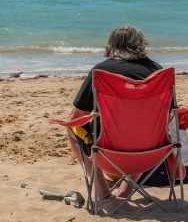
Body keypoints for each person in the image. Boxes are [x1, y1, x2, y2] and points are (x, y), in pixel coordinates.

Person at [66, 25, 162, 201]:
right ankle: (126, 189)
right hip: (151, 152)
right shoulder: (157, 72)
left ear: (111, 45)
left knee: (71, 128)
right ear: (141, 44)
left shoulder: (101, 72)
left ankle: (101, 189)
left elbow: (75, 118)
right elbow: (168, 116)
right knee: (144, 131)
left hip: (107, 151)